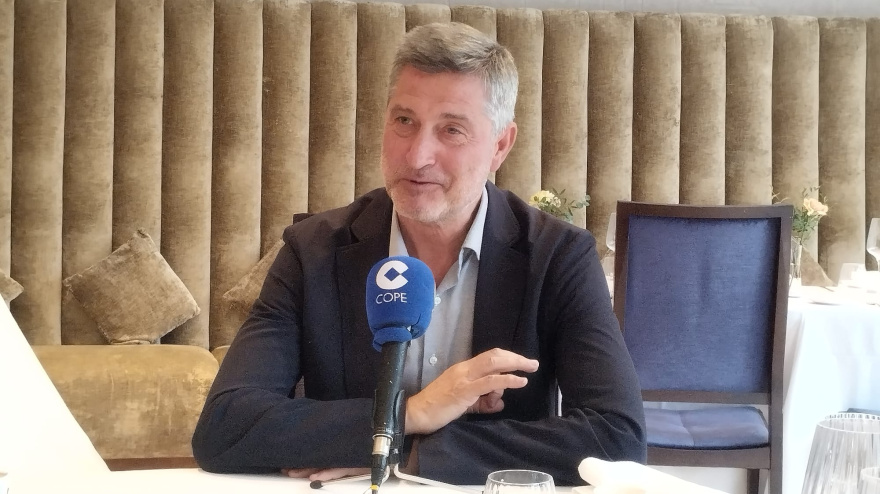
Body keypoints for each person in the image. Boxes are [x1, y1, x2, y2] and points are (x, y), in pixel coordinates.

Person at [191, 21, 646, 486]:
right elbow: (224, 428)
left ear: (500, 145)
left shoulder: (558, 256)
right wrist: (412, 413)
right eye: (404, 121)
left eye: (452, 130)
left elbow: (617, 438)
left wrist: (401, 450)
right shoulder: (313, 251)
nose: (417, 156)